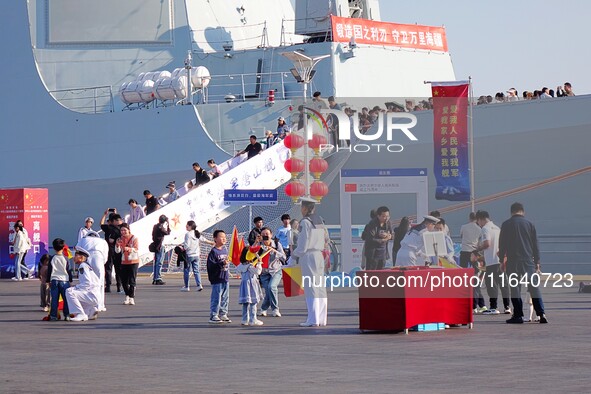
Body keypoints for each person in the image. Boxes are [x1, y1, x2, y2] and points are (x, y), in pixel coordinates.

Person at [498, 202, 547, 324]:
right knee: (534, 287)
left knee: (515, 288)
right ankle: (541, 314)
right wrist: (537, 261)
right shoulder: (530, 224)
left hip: (513, 261)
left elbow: (502, 244)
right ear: (522, 211)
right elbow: (535, 244)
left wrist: (501, 261)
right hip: (528, 261)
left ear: (511, 212)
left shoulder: (506, 224)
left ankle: (518, 315)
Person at [292, 197, 328, 327]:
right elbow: (325, 238)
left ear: (305, 208)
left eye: (302, 207)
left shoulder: (305, 222)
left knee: (310, 287)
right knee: (320, 287)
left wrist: (294, 255)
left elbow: (303, 244)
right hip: (319, 255)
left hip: (309, 255)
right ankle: (322, 319)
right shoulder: (319, 220)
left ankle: (313, 319)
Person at [475, 210, 511, 315]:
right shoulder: (497, 228)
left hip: (491, 261)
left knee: (492, 284)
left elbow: (487, 244)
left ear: (481, 219)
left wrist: (478, 247)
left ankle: (493, 307)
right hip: (499, 260)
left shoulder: (485, 229)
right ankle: (507, 306)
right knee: (503, 284)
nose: (479, 224)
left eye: (478, 222)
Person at [460, 212, 487, 312]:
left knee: (463, 276)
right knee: (476, 278)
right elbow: (480, 240)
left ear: (469, 218)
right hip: (475, 253)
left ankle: (472, 304)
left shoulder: (464, 226)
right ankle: (478, 305)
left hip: (464, 252)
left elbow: (461, 236)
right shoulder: (479, 229)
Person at [65, 247, 101, 321]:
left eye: (76, 255)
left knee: (69, 291)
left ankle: (80, 314)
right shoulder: (86, 266)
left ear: (81, 257)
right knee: (77, 294)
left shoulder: (83, 266)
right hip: (94, 294)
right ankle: (90, 310)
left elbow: (87, 283)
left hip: (92, 295)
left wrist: (75, 287)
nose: (74, 257)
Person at [76, 230, 109, 312]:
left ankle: (88, 304)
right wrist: (101, 263)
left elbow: (78, 249)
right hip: (99, 258)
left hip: (87, 257)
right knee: (100, 283)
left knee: (87, 281)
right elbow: (106, 255)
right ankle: (100, 305)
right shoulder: (103, 241)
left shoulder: (83, 239)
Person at [257, 227, 286, 318]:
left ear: (271, 235)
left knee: (272, 287)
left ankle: (275, 309)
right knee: (268, 291)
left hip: (276, 270)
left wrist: (274, 251)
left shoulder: (277, 244)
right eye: (263, 234)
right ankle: (263, 308)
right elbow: (250, 254)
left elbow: (284, 257)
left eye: (267, 234)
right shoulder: (259, 246)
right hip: (264, 272)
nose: (265, 236)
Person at [181, 220, 214, 292]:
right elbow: (204, 239)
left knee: (186, 270)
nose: (186, 226)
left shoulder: (188, 234)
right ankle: (199, 285)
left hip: (189, 255)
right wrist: (211, 242)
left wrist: (181, 248)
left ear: (190, 226)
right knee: (196, 271)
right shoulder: (197, 233)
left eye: (187, 225)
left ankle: (186, 286)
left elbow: (186, 246)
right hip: (196, 255)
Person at [207, 230, 231, 324]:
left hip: (225, 277)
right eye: (221, 237)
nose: (224, 238)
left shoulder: (224, 249)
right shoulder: (213, 252)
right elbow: (211, 265)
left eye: (225, 237)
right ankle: (214, 315)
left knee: (225, 297)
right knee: (216, 297)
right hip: (217, 278)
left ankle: (223, 313)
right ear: (215, 239)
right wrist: (221, 263)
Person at [237, 246, 264, 326]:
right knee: (253, 302)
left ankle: (244, 319)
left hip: (244, 284)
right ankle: (253, 319)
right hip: (252, 284)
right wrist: (259, 263)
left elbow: (237, 272)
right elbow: (258, 272)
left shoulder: (241, 266)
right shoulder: (250, 266)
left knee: (246, 303)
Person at [114, 223, 140, 305]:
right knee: (124, 280)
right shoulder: (119, 239)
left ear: (128, 230)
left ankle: (131, 297)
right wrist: (117, 246)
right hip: (124, 261)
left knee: (132, 280)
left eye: (124, 230)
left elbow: (136, 249)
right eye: (121, 230)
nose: (123, 232)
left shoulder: (134, 238)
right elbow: (117, 251)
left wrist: (129, 249)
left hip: (133, 261)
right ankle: (127, 296)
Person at [361, 206, 393, 270]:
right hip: (373, 254)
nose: (386, 218)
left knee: (381, 274)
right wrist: (383, 239)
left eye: (388, 216)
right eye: (384, 216)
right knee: (371, 274)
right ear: (378, 216)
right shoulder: (372, 224)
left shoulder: (388, 223)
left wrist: (389, 236)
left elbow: (392, 235)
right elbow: (370, 239)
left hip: (383, 253)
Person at [47, 238, 71, 321]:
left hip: (54, 280)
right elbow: (68, 270)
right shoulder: (66, 258)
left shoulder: (52, 258)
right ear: (63, 247)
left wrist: (48, 281)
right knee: (66, 299)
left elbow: (49, 270)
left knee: (54, 299)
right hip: (64, 281)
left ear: (53, 247)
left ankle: (53, 315)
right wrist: (70, 280)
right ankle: (67, 315)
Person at [100, 211, 123, 293]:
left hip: (109, 251)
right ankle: (119, 286)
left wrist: (104, 214)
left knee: (108, 268)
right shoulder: (122, 229)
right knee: (118, 269)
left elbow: (101, 224)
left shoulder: (108, 228)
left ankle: (108, 286)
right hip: (118, 251)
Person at [151, 214, 170, 285]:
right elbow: (168, 232)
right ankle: (158, 278)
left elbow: (153, 236)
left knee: (156, 262)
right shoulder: (160, 227)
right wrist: (168, 225)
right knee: (159, 262)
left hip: (156, 245)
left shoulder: (155, 226)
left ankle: (155, 278)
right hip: (160, 246)